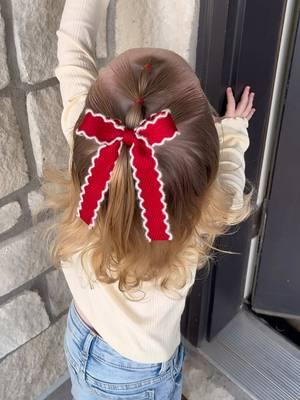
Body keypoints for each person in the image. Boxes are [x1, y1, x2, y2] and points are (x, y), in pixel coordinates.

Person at [41, 0, 256, 398]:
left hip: (87, 339)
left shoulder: (89, 142)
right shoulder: (201, 220)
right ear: (201, 182)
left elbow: (73, 47)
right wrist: (235, 129)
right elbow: (228, 174)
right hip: (139, 373)